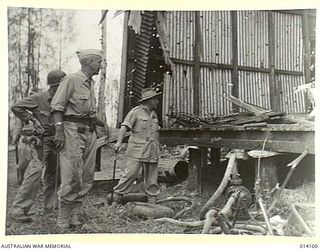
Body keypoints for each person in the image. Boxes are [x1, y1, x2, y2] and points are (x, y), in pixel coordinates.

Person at [51, 49, 109, 232]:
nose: (101, 66)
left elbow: (87, 112)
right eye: (99, 62)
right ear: (89, 61)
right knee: (71, 176)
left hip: (88, 132)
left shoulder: (90, 83)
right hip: (71, 131)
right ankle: (63, 219)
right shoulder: (71, 79)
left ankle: (75, 215)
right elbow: (57, 107)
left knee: (86, 175)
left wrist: (102, 123)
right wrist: (58, 130)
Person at [10, 70, 66, 222]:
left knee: (54, 175)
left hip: (57, 142)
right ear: (55, 86)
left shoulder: (64, 100)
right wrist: (32, 119)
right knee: (34, 173)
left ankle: (50, 208)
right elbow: (16, 106)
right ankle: (19, 208)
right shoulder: (38, 98)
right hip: (41, 142)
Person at [112, 88, 162, 205]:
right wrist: (119, 143)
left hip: (152, 149)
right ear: (149, 100)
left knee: (152, 177)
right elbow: (124, 127)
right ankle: (116, 199)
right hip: (137, 149)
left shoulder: (154, 115)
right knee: (130, 174)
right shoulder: (135, 112)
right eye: (155, 99)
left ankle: (152, 201)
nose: (157, 101)